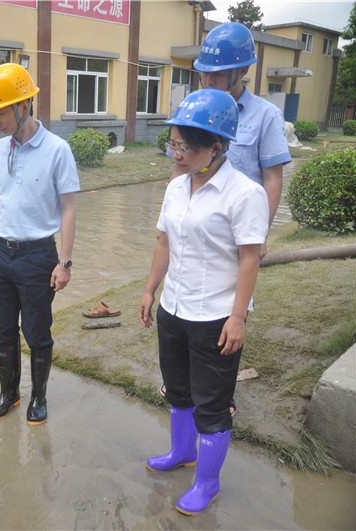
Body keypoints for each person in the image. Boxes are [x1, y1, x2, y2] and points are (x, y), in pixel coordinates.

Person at [138, 89, 268, 515]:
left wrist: (238, 317)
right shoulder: (176, 187)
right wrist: (150, 290)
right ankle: (182, 452)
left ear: (215, 147)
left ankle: (207, 483)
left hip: (215, 316)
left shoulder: (244, 193)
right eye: (172, 145)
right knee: (178, 390)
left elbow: (250, 258)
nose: (176, 155)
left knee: (211, 404)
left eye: (185, 148)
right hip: (174, 308)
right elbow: (164, 242)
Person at [0, 63, 79, 426]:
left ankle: (38, 397)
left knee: (37, 332)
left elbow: (68, 208)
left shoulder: (57, 150)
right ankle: (9, 393)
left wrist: (64, 262)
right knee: (2, 330)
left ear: (24, 105)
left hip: (37, 257)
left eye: (1, 113)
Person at [194, 21, 291, 259]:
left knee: (235, 283)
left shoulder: (266, 115)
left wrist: (260, 234)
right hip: (195, 222)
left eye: (218, 74)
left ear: (243, 71)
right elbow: (180, 166)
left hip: (238, 226)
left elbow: (272, 179)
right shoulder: (195, 110)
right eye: (204, 72)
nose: (209, 81)